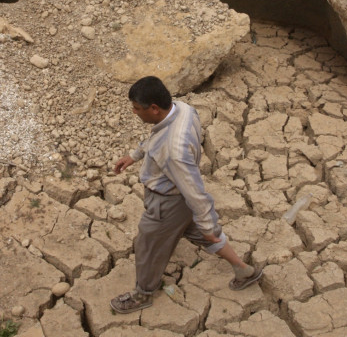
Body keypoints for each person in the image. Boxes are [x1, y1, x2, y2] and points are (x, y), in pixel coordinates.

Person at [109, 76, 262, 314]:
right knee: (200, 233)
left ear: (154, 108)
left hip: (167, 203)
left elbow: (193, 189)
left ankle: (143, 294)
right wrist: (135, 155)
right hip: (179, 200)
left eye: (137, 108)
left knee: (147, 246)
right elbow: (156, 136)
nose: (134, 112)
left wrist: (208, 222)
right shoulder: (183, 109)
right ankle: (243, 269)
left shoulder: (174, 150)